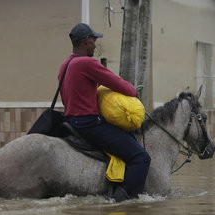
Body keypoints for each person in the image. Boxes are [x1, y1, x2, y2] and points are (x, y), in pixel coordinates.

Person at [59, 23, 151, 202]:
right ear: (86, 42)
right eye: (94, 41)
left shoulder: (65, 65)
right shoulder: (87, 63)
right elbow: (117, 83)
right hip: (89, 124)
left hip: (70, 121)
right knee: (141, 157)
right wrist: (133, 91)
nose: (95, 45)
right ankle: (122, 201)